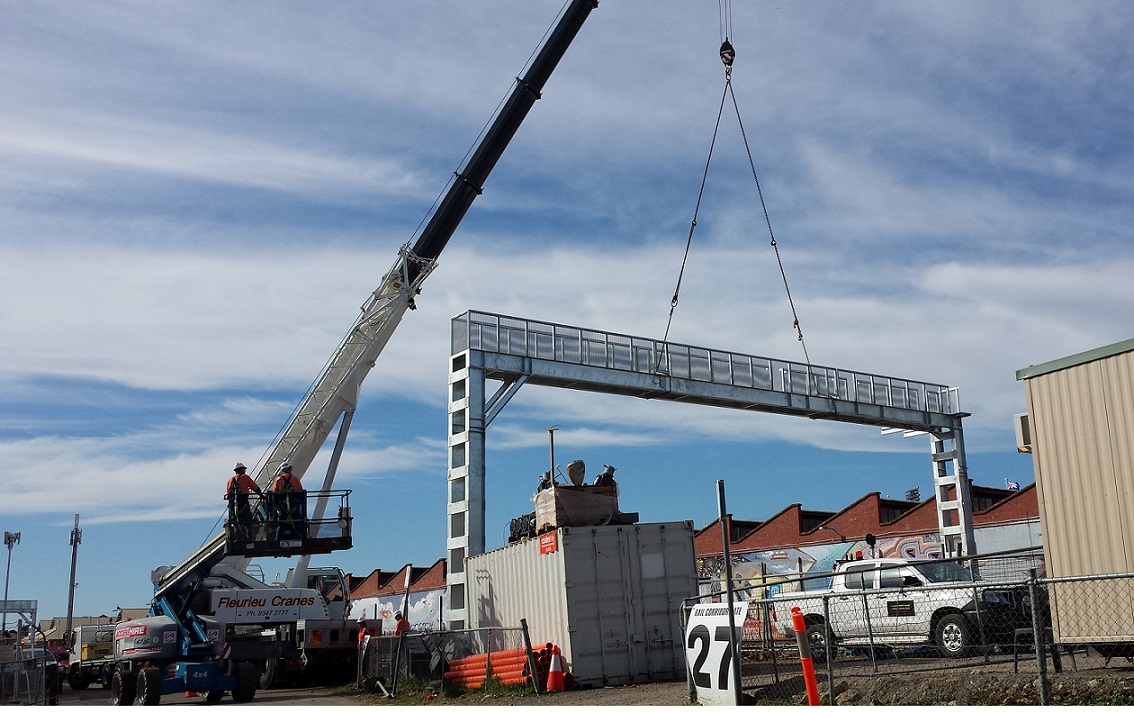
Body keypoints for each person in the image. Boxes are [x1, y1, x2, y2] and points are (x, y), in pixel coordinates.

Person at [225, 462, 262, 540]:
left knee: (235, 522)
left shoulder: (230, 480)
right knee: (248, 521)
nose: (245, 471)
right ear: (241, 469)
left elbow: (228, 494)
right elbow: (255, 488)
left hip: (233, 505)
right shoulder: (245, 478)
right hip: (243, 503)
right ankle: (250, 538)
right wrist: (262, 496)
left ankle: (239, 538)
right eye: (244, 469)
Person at [270, 462, 306, 539]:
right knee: (297, 520)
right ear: (289, 469)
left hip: (283, 504)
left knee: (282, 522)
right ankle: (300, 536)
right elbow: (300, 491)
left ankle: (278, 539)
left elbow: (274, 492)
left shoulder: (278, 479)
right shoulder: (295, 478)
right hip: (294, 503)